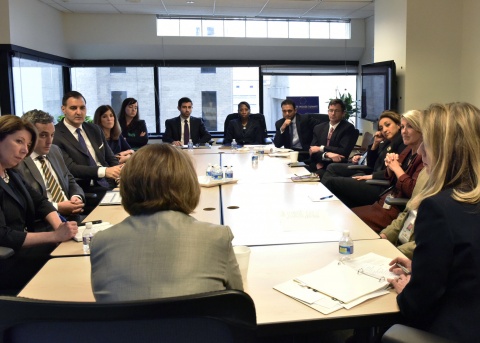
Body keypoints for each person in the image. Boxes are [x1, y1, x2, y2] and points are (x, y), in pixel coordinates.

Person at [90, 143, 243, 302]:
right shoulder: (216, 237)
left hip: (126, 327)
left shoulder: (101, 242)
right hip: (194, 326)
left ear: (127, 186)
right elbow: (237, 303)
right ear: (188, 184)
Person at [388, 102, 480, 343]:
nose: (419, 153)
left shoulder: (439, 208)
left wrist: (409, 288)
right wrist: (424, 265)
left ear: (445, 149)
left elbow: (417, 305)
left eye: (425, 144)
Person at [0, 115, 78, 294]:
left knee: (71, 253)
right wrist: (54, 236)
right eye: (19, 141)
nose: (24, 150)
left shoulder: (11, 173)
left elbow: (40, 202)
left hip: (19, 250)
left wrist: (61, 228)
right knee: (63, 263)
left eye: (27, 145)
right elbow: (3, 235)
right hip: (6, 260)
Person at [351, 110, 424, 232]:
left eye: (409, 127)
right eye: (403, 127)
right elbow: (390, 178)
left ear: (421, 129)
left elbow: (412, 190)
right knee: (346, 214)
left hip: (394, 209)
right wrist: (391, 168)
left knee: (349, 219)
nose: (404, 131)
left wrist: (396, 168)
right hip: (383, 203)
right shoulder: (408, 150)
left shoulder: (424, 157)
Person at [52, 91, 122, 212]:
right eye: (73, 108)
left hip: (109, 183)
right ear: (63, 109)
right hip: (85, 189)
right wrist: (104, 171)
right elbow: (71, 168)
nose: (79, 112)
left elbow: (110, 158)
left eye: (82, 108)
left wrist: (119, 177)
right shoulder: (56, 135)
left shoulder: (94, 129)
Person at [321, 110, 406, 208]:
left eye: (388, 125)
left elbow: (395, 171)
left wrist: (372, 176)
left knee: (332, 182)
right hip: (373, 178)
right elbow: (371, 164)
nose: (385, 130)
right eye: (382, 128)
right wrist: (375, 144)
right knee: (335, 180)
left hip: (382, 186)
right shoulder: (386, 142)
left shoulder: (401, 144)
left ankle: (323, 205)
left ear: (398, 125)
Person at [17, 109, 85, 223]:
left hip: (73, 217)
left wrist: (76, 197)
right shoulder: (18, 161)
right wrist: (57, 207)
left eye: (52, 135)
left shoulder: (55, 150)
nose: (49, 141)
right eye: (43, 135)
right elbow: (26, 203)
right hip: (44, 223)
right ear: (29, 136)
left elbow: (69, 179)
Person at [379, 168, 428, 259]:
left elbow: (431, 242)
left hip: (416, 257)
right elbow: (408, 211)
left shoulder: (455, 186)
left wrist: (394, 253)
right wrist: (385, 236)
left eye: (425, 153)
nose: (419, 153)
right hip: (401, 243)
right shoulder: (425, 172)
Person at [308, 99, 357, 177]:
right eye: (331, 110)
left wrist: (321, 148)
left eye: (337, 111)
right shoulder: (318, 128)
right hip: (318, 163)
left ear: (343, 113)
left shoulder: (348, 128)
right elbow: (312, 151)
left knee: (313, 178)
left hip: (336, 166)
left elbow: (343, 151)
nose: (333, 114)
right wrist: (326, 154)